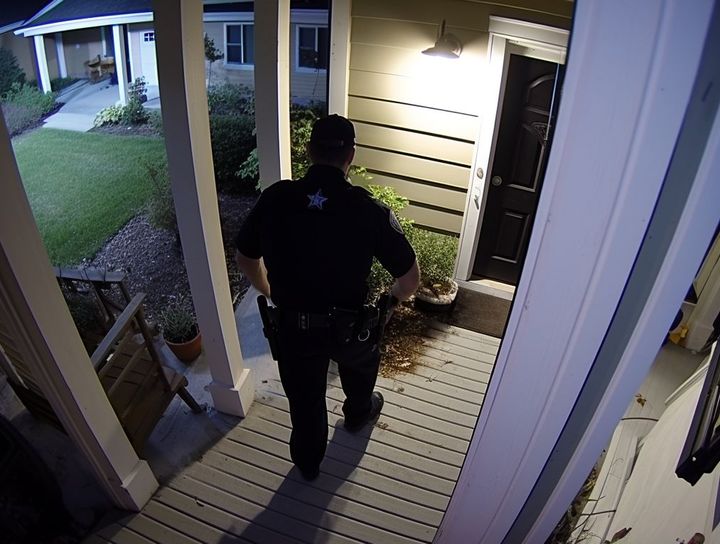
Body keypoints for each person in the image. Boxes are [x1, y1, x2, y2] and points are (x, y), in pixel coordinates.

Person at [234, 114, 420, 481]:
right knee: (361, 366)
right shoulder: (369, 211)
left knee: (305, 404)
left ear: (308, 151)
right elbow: (410, 280)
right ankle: (357, 413)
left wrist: (268, 289)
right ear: (351, 156)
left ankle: (307, 464)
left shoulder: (275, 199)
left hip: (293, 329)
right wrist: (391, 302)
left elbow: (244, 258)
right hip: (350, 329)